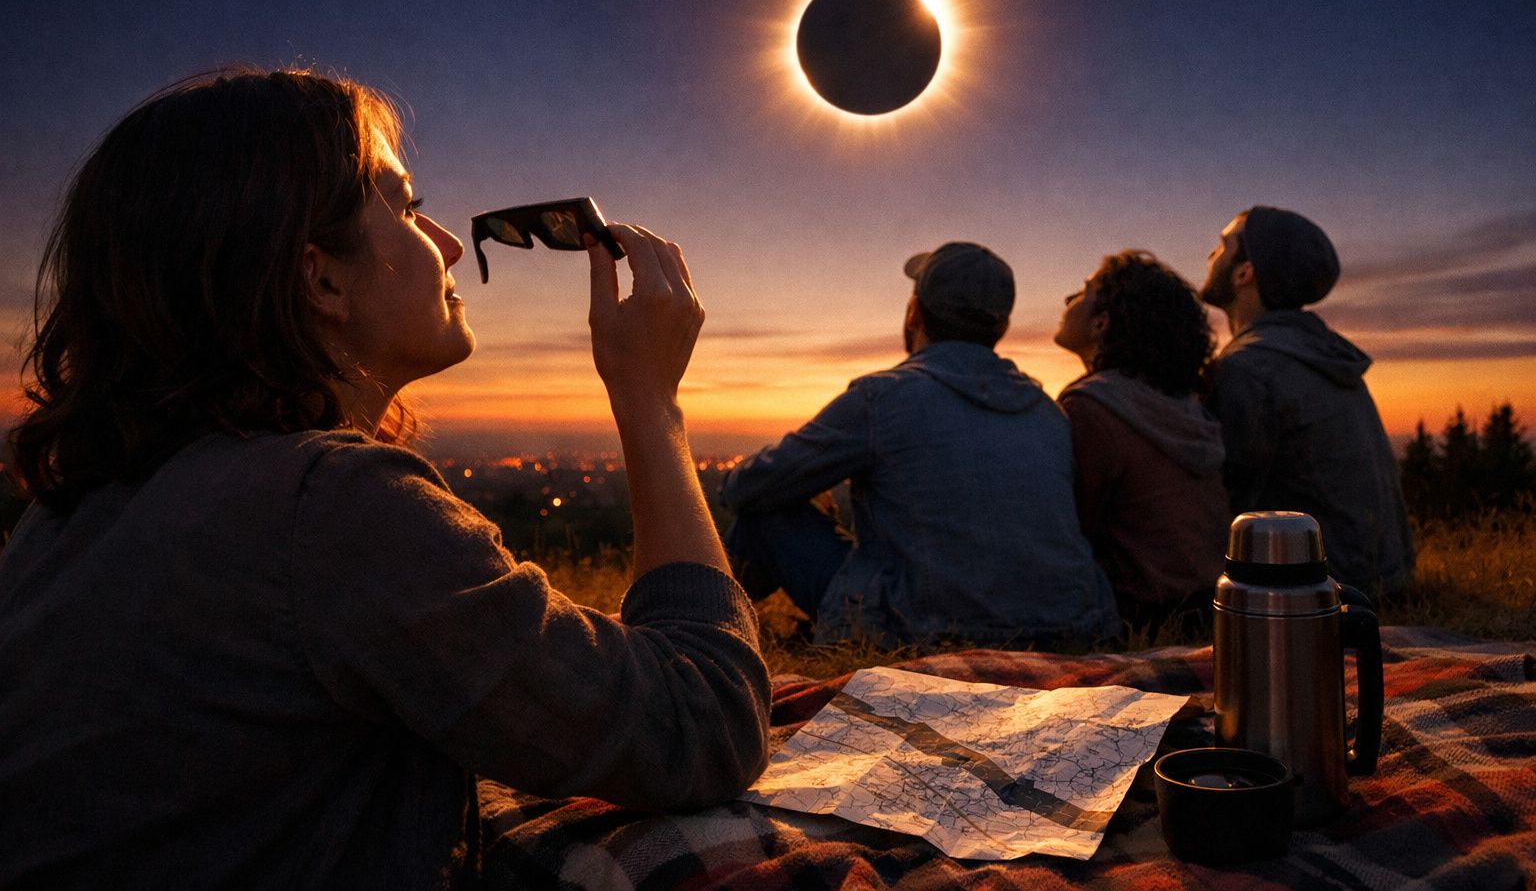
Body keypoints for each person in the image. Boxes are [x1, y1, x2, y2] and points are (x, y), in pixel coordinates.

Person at [0, 68, 770, 887]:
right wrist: (651, 404)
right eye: (404, 206)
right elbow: (703, 726)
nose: (442, 242)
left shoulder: (67, 515)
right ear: (320, 277)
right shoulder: (329, 507)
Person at [718, 242, 1119, 648]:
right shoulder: (1046, 413)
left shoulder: (882, 398)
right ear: (1000, 328)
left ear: (914, 313)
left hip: (920, 630)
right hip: (1072, 628)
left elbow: (746, 489)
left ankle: (694, 630)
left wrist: (766, 480)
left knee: (762, 520)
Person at [1199, 206, 1414, 593]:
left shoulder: (1249, 367)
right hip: (1387, 576)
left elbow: (1225, 497)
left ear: (1245, 272)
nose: (1210, 255)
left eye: (1222, 245)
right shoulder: (1321, 353)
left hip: (1321, 587)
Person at [1054, 250, 1230, 638]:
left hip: (1142, 617)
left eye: (1083, 292)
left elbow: (1068, 530)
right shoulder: (1183, 405)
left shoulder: (1091, 407)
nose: (1069, 300)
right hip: (1213, 609)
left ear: (1101, 323)